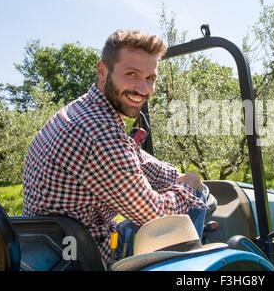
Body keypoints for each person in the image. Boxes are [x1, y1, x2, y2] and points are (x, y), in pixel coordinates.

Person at [22, 29, 208, 267]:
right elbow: (157, 214)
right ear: (102, 71)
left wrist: (176, 176)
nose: (143, 89)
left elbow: (135, 158)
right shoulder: (97, 133)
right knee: (190, 205)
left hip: (56, 250)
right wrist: (190, 188)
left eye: (150, 78)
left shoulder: (83, 112)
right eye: (132, 74)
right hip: (90, 258)